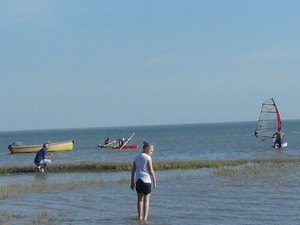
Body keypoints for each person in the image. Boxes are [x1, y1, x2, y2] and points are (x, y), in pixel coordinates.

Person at [130, 141, 157, 221]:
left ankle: (139, 217)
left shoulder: (136, 157)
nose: (152, 153)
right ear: (146, 149)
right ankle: (144, 218)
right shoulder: (148, 158)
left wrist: (132, 182)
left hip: (138, 181)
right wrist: (155, 181)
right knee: (146, 201)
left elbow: (133, 170)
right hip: (147, 181)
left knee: (139, 200)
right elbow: (151, 171)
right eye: (151, 151)